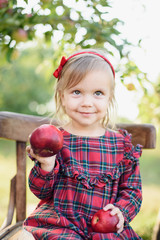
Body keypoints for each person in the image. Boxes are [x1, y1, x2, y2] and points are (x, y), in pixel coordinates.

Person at [19, 49, 143, 240]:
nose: (87, 102)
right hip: (61, 224)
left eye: (98, 93)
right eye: (77, 92)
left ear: (109, 97)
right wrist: (46, 165)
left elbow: (132, 190)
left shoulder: (121, 145)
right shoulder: (56, 140)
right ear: (62, 96)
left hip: (104, 231)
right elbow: (41, 191)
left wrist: (121, 211)